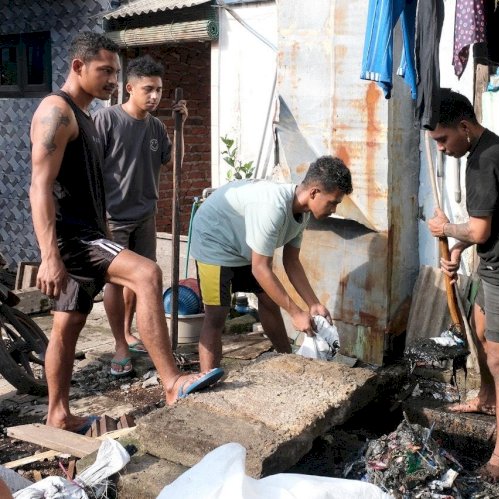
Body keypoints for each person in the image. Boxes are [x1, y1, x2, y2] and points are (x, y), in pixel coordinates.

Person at [29, 32, 222, 434]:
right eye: (105, 71)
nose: (112, 81)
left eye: (116, 72)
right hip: (75, 237)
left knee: (67, 325)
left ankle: (58, 414)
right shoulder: (56, 111)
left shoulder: (85, 116)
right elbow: (39, 186)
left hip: (86, 232)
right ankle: (171, 383)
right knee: (147, 274)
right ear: (78, 66)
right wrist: (50, 255)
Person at [427, 89, 499, 482]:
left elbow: (479, 227)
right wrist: (457, 246)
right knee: (478, 331)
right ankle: (487, 398)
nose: (441, 149)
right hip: (492, 263)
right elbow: (482, 229)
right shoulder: (482, 152)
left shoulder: (484, 161)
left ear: (463, 126)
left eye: (443, 139)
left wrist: (447, 230)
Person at [190, 156, 352, 373]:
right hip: (214, 240)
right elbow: (260, 268)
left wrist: (313, 303)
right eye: (333, 202)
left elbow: (291, 261)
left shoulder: (302, 213)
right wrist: (295, 313)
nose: (334, 209)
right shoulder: (273, 207)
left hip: (243, 244)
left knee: (268, 300)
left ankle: (288, 361)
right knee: (216, 315)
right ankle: (207, 380)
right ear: (314, 192)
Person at [93, 55, 186, 377]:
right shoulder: (106, 120)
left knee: (140, 281)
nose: (155, 96)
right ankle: (120, 343)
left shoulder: (158, 126)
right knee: (116, 283)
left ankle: (131, 332)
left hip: (146, 214)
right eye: (148, 89)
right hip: (112, 218)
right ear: (129, 88)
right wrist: (97, 215)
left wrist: (181, 127)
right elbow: (90, 169)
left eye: (159, 90)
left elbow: (172, 164)